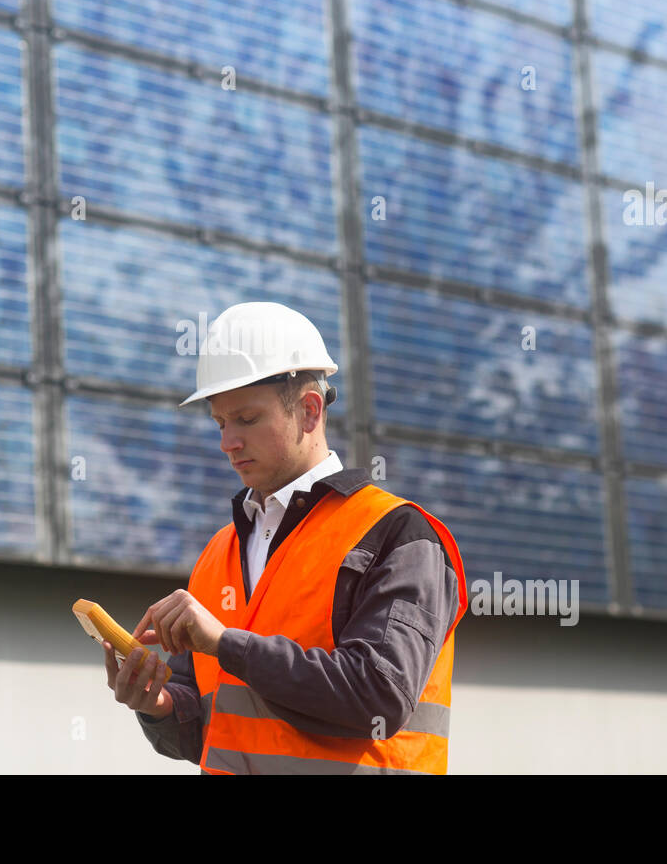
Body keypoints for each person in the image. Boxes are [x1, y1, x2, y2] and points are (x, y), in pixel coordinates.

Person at [102, 302, 467, 774]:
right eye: (220, 423)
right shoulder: (219, 553)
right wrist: (159, 706)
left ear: (310, 411)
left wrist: (226, 643)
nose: (226, 442)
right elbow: (214, 734)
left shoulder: (397, 534)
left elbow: (378, 697)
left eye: (247, 419)